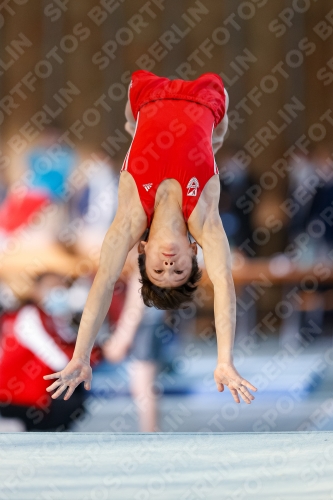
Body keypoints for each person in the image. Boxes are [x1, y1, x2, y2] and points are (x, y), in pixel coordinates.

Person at [44, 70, 258, 406]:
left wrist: (80, 355)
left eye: (159, 271)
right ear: (192, 251)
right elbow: (224, 286)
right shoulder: (204, 220)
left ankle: (135, 126)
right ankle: (208, 133)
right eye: (179, 271)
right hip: (207, 97)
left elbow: (103, 283)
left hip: (149, 95)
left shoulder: (131, 217)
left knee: (133, 115)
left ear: (142, 249)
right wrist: (224, 360)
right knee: (219, 117)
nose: (170, 265)